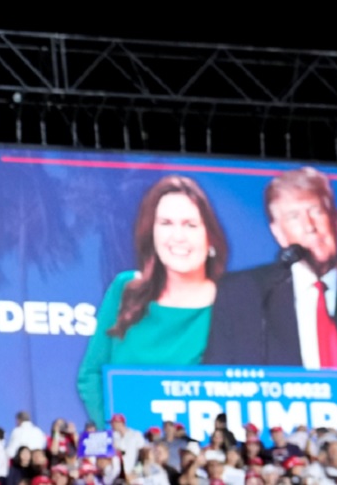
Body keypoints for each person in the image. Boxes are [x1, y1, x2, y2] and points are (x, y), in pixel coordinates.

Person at [76, 176, 229, 424]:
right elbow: (90, 374)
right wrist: (117, 436)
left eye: (190, 224)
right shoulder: (125, 289)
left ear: (210, 236)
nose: (178, 236)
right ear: (152, 233)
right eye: (166, 223)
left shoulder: (232, 301)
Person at [204, 167, 337, 368]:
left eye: (317, 211)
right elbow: (217, 376)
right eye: (294, 217)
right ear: (279, 234)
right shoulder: (243, 293)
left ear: (336, 220)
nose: (310, 226)